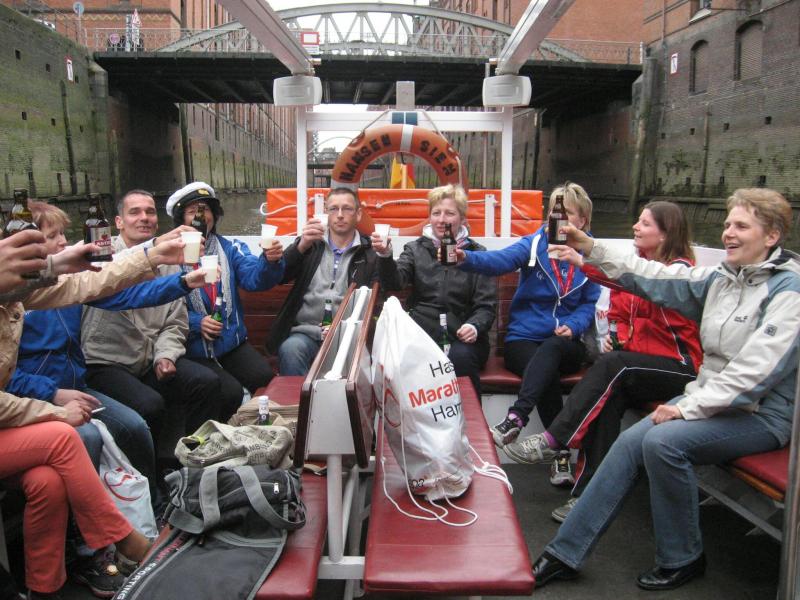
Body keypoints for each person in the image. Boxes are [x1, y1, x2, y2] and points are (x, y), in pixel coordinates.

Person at [533, 188, 800, 592]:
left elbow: (756, 372)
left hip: (761, 415)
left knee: (662, 443)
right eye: (727, 223)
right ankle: (563, 554)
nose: (728, 233)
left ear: (772, 236)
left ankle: (683, 556)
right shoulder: (723, 278)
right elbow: (655, 277)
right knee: (629, 443)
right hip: (711, 400)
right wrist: (590, 246)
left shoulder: (788, 291)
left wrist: (688, 407)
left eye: (741, 226)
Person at [1, 228, 188, 599]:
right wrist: (52, 410)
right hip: (27, 408)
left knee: (47, 483)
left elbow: (86, 284)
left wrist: (151, 254)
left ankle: (45, 589)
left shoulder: (12, 293)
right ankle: (124, 540)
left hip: (16, 417)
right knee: (64, 436)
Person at [503, 201, 702, 523]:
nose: (635, 227)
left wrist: (584, 261)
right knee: (607, 400)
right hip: (640, 367)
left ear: (666, 235)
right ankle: (587, 497)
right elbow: (620, 311)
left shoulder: (680, 273)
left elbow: (646, 289)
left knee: (614, 365)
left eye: (645, 223)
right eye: (637, 221)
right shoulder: (638, 267)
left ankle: (553, 439)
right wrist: (618, 337)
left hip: (679, 368)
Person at [7, 202, 206, 520]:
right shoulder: (15, 299)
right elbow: (8, 378)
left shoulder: (55, 285)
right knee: (87, 436)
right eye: (53, 236)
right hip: (39, 396)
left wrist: (181, 282)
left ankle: (149, 506)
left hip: (77, 388)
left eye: (63, 234)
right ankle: (93, 532)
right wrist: (53, 394)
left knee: (134, 427)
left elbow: (121, 291)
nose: (64, 242)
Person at [456, 182, 600, 483]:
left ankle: (515, 418)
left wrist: (573, 325)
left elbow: (589, 304)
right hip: (522, 340)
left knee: (552, 348)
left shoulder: (591, 256)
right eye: (554, 212)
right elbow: (498, 261)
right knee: (545, 367)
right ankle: (560, 454)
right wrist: (466, 258)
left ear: (582, 221)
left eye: (567, 213)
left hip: (566, 343)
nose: (557, 219)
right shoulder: (534, 245)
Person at [81, 189, 222, 460]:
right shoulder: (101, 254)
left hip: (148, 359)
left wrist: (165, 355)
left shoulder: (170, 263)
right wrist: (155, 252)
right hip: (105, 362)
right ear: (118, 222)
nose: (144, 218)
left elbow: (176, 321)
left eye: (150, 212)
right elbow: (115, 279)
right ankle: (154, 474)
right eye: (134, 212)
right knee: (150, 405)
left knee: (207, 383)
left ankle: (194, 461)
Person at [167, 182, 285, 415]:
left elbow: (254, 279)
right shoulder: (169, 256)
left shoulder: (230, 249)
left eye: (205, 209)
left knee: (265, 379)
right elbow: (162, 306)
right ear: (181, 219)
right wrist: (196, 323)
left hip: (230, 342)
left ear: (214, 215)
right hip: (190, 348)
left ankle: (255, 427)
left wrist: (270, 261)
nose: (200, 216)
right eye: (192, 211)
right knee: (228, 392)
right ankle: (212, 433)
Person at [373, 184, 496, 395]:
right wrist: (385, 255)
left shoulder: (478, 254)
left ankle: (469, 414)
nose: (441, 219)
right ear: (429, 217)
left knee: (460, 357)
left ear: (462, 218)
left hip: (463, 336)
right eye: (436, 213)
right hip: (424, 331)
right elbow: (395, 282)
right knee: (405, 355)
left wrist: (474, 326)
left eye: (449, 213)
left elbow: (486, 306)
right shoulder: (415, 249)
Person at [267, 187, 379, 375]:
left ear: (358, 214)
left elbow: (387, 289)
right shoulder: (311, 245)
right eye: (333, 209)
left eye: (347, 209)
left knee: (357, 359)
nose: (340, 215)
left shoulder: (370, 252)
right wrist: (301, 245)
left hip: (348, 336)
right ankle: (299, 395)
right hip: (306, 333)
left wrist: (386, 255)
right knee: (290, 349)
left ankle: (337, 395)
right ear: (326, 213)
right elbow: (279, 275)